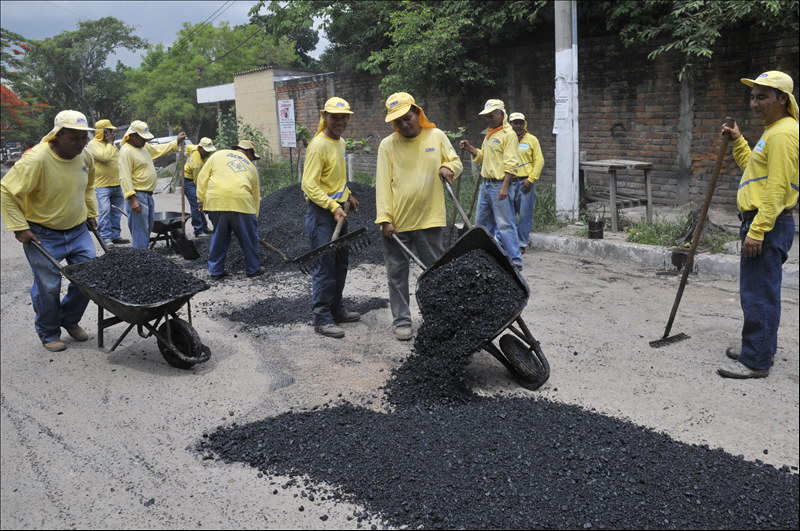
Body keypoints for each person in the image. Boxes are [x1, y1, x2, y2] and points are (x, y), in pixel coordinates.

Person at [718, 70, 799, 379]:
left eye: (762, 96)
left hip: (767, 224)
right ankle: (761, 348)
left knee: (758, 295)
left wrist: (757, 230)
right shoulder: (776, 130)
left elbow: (778, 188)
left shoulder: (783, 134)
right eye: (752, 97)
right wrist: (739, 141)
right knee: (762, 291)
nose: (754, 103)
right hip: (767, 223)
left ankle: (755, 361)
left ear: (783, 99)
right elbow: (755, 168)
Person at [0, 110, 98, 352]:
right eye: (75, 138)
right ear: (58, 135)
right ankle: (49, 332)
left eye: (84, 137)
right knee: (49, 286)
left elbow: (89, 186)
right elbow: (6, 191)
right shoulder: (36, 160)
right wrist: (20, 228)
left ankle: (68, 318)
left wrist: (91, 212)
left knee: (89, 279)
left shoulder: (85, 156)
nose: (81, 143)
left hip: (77, 229)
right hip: (43, 234)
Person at [375, 92, 463, 341]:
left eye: (408, 117)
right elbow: (382, 183)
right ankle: (402, 321)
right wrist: (385, 218)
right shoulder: (388, 145)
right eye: (398, 121)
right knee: (397, 275)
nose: (404, 124)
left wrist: (449, 167)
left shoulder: (436, 136)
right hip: (397, 224)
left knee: (435, 273)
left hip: (429, 220)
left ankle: (439, 317)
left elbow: (456, 161)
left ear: (417, 112)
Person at [301, 97, 361, 339]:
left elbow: (336, 179)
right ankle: (322, 317)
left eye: (344, 117)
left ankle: (336, 309)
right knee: (325, 266)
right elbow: (309, 185)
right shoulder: (318, 145)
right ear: (324, 116)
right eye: (335, 117)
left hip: (338, 211)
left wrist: (348, 194)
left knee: (340, 263)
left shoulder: (340, 143)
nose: (340, 121)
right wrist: (331, 205)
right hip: (322, 214)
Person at [459, 99, 522, 269]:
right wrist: (470, 148)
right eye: (487, 116)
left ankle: (515, 261)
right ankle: (484, 257)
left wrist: (505, 187)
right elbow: (482, 156)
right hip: (486, 185)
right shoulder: (490, 133)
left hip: (499, 184)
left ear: (502, 114)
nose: (489, 119)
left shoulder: (508, 135)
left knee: (504, 224)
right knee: (481, 224)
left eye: (492, 116)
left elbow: (511, 163)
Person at [196, 140, 264, 280]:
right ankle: (253, 269)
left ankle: (216, 271)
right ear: (249, 152)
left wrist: (201, 200)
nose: (252, 159)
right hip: (242, 202)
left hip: (216, 201)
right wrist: (254, 218)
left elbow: (202, 178)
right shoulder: (251, 167)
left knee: (219, 237)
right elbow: (255, 196)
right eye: (253, 156)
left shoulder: (218, 155)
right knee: (249, 239)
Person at [117, 121, 186, 248]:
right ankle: (140, 258)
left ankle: (144, 256)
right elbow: (124, 177)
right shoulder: (126, 151)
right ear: (133, 136)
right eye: (143, 138)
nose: (145, 140)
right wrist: (132, 199)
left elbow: (158, 149)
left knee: (146, 229)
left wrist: (175, 142)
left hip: (148, 195)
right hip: (137, 196)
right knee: (140, 231)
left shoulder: (144, 147)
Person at [87, 119, 128, 245]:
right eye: (109, 131)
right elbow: (105, 157)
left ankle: (115, 235)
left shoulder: (110, 144)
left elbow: (116, 158)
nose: (112, 133)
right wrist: (110, 143)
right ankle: (106, 238)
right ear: (102, 132)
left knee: (116, 212)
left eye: (112, 131)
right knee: (104, 211)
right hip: (102, 185)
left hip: (116, 183)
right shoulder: (93, 144)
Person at [508, 112, 544, 254]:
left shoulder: (531, 140)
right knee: (508, 215)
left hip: (525, 183)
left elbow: (539, 161)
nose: (517, 126)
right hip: (508, 182)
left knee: (524, 215)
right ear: (509, 124)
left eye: (520, 123)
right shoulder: (506, 139)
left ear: (524, 124)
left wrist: (531, 179)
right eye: (514, 123)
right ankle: (509, 243)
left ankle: (522, 243)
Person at [183, 137, 215, 236]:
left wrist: (186, 153)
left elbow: (187, 147)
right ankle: (198, 230)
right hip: (189, 181)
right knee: (197, 205)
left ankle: (204, 227)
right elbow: (199, 182)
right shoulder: (197, 164)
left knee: (200, 205)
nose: (208, 153)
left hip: (193, 178)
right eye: (206, 151)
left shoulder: (194, 148)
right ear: (200, 148)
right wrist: (203, 196)